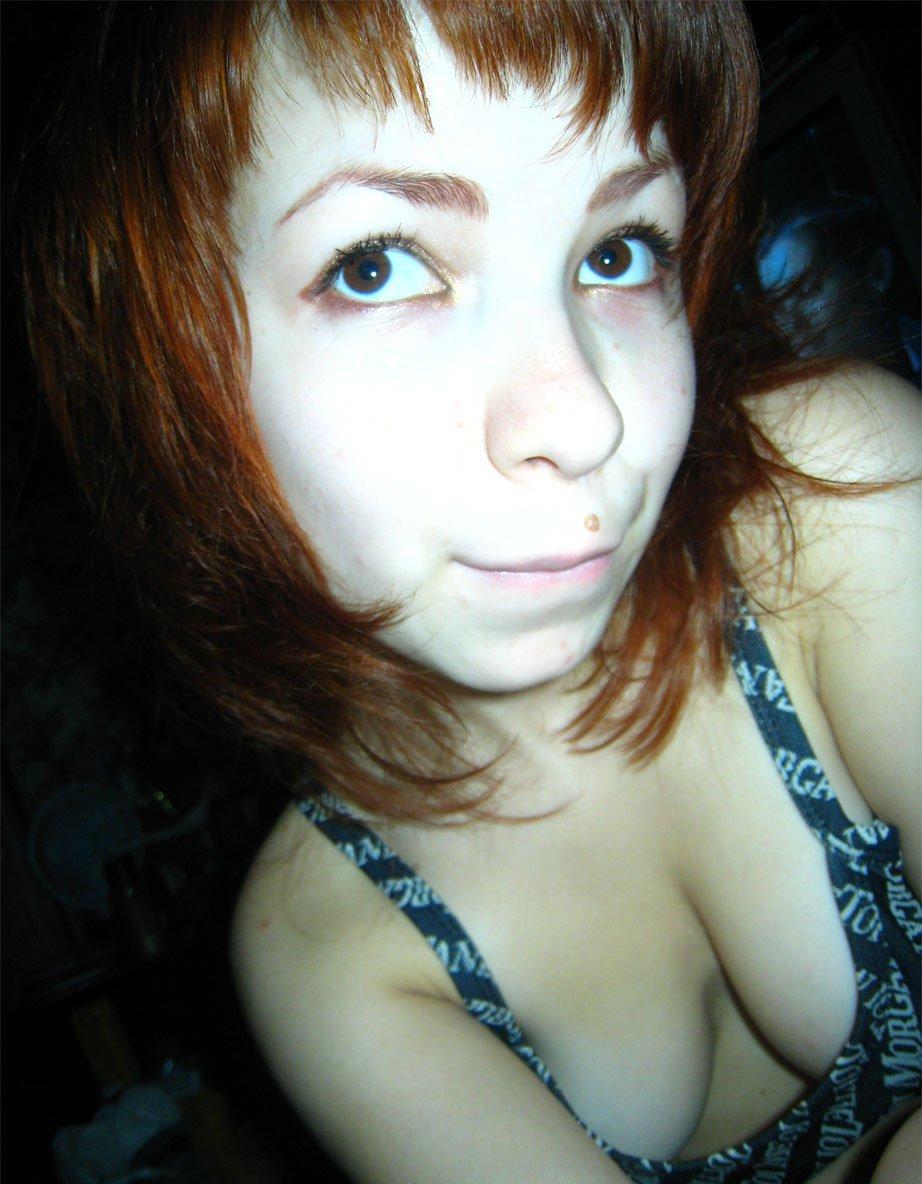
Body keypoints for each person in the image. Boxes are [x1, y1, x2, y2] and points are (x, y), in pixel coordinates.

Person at [17, 3, 920, 1182]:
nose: (583, 419)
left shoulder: (838, 496)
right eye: (377, 265)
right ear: (167, 373)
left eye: (618, 251)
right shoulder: (328, 942)